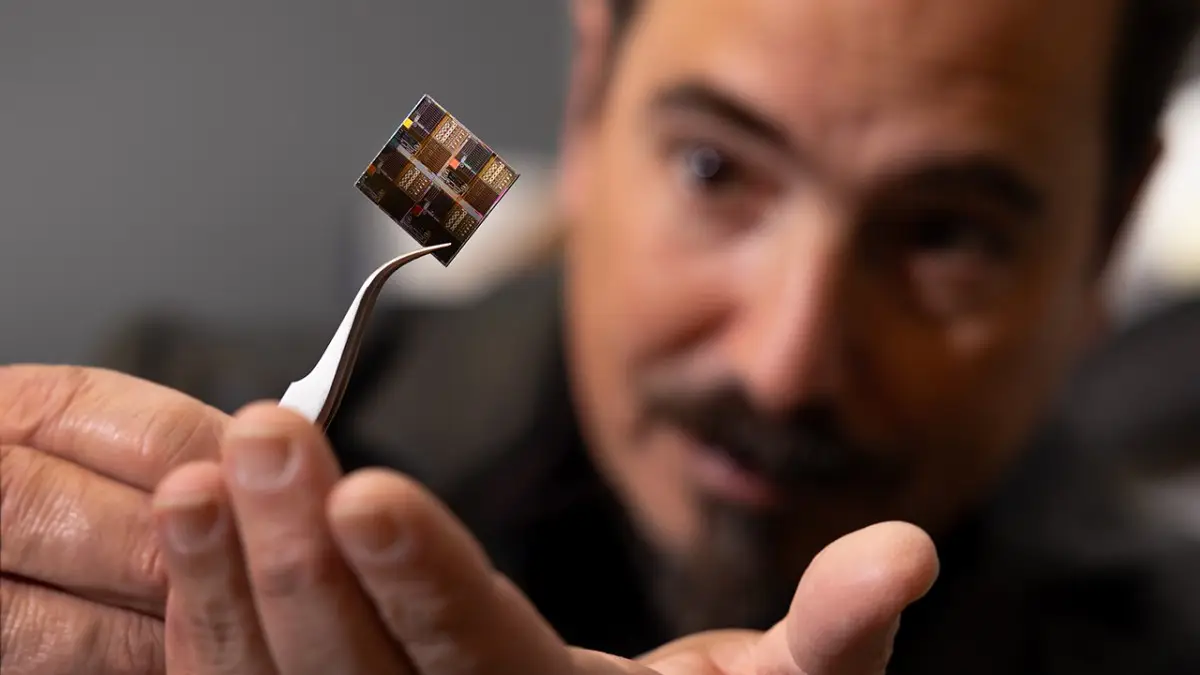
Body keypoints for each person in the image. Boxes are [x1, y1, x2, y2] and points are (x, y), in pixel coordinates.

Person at [3, 0, 1199, 673]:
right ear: (591, 95)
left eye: (948, 233)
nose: (783, 365)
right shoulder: (145, 447)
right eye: (714, 167)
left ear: (1106, 235)